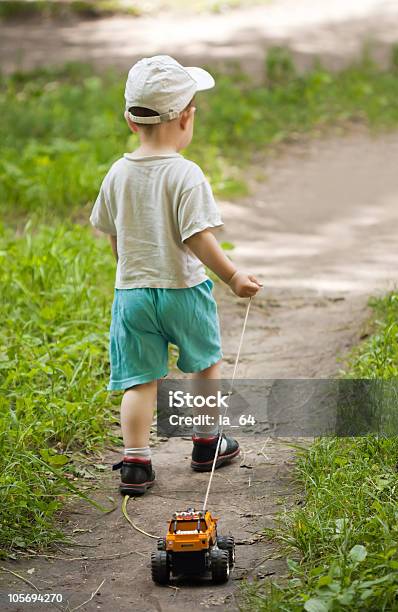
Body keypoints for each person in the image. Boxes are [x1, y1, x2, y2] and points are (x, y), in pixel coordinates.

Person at [90, 55, 262, 496]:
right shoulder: (185, 174)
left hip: (132, 293)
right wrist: (233, 276)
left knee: (140, 379)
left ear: (131, 120)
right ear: (187, 118)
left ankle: (135, 463)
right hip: (182, 291)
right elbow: (198, 238)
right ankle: (206, 445)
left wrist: (128, 270)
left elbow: (114, 234)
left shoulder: (117, 172)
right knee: (205, 365)